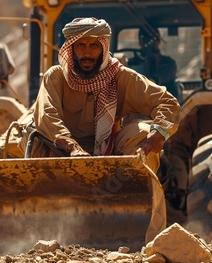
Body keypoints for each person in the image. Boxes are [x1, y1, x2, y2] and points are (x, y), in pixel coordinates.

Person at [30, 17, 180, 242]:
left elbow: (167, 102)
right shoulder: (56, 77)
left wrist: (158, 134)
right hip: (63, 149)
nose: (87, 53)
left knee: (141, 132)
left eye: (93, 45)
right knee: (29, 137)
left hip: (112, 148)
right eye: (81, 45)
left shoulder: (120, 76)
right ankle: (39, 227)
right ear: (71, 49)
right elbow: (45, 115)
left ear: (104, 47)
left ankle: (142, 229)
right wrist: (72, 147)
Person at [128, 26, 180, 100]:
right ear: (140, 41)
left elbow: (165, 75)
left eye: (153, 38)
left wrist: (154, 80)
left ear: (159, 40)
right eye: (145, 38)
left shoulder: (168, 63)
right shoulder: (132, 63)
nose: (151, 42)